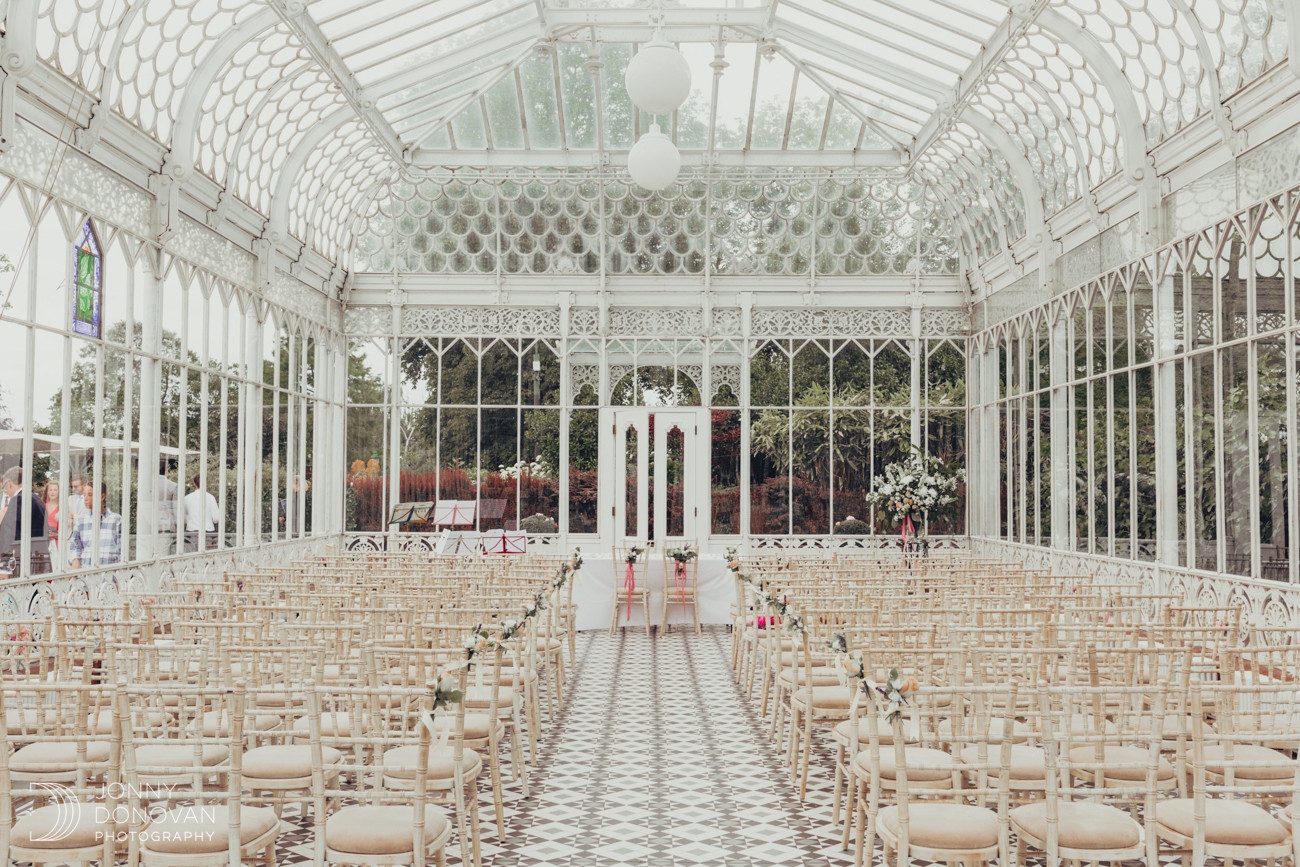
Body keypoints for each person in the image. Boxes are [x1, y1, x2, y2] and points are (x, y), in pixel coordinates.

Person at [0, 467, 50, 576]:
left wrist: (3, 566)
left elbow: (8, 535)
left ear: (9, 483)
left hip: (20, 560)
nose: (6, 492)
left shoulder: (17, 500)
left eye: (5, 488)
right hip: (38, 558)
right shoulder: (38, 500)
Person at [68, 482, 122, 569]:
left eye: (90, 495)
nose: (85, 499)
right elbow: (75, 548)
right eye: (84, 495)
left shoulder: (116, 520)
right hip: (86, 576)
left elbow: (122, 551)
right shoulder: (81, 522)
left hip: (109, 576)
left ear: (102, 497)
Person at [183, 474, 220, 552]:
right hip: (208, 532)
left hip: (192, 532)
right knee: (207, 556)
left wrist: (189, 520)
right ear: (206, 483)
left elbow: (183, 517)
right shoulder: (210, 498)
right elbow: (216, 518)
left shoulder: (187, 498)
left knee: (192, 556)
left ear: (194, 483)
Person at [156, 460, 178, 555]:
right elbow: (175, 508)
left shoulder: (148, 485)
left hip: (149, 526)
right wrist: (177, 527)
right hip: (166, 525)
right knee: (163, 555)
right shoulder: (173, 486)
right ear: (166, 470)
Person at [43, 479, 62, 565]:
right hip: (44, 541)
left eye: (55, 490)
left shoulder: (62, 506)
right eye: (50, 490)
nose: (53, 492)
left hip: (57, 541)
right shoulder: (42, 505)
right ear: (47, 492)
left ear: (59, 492)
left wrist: (58, 535)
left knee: (56, 565)